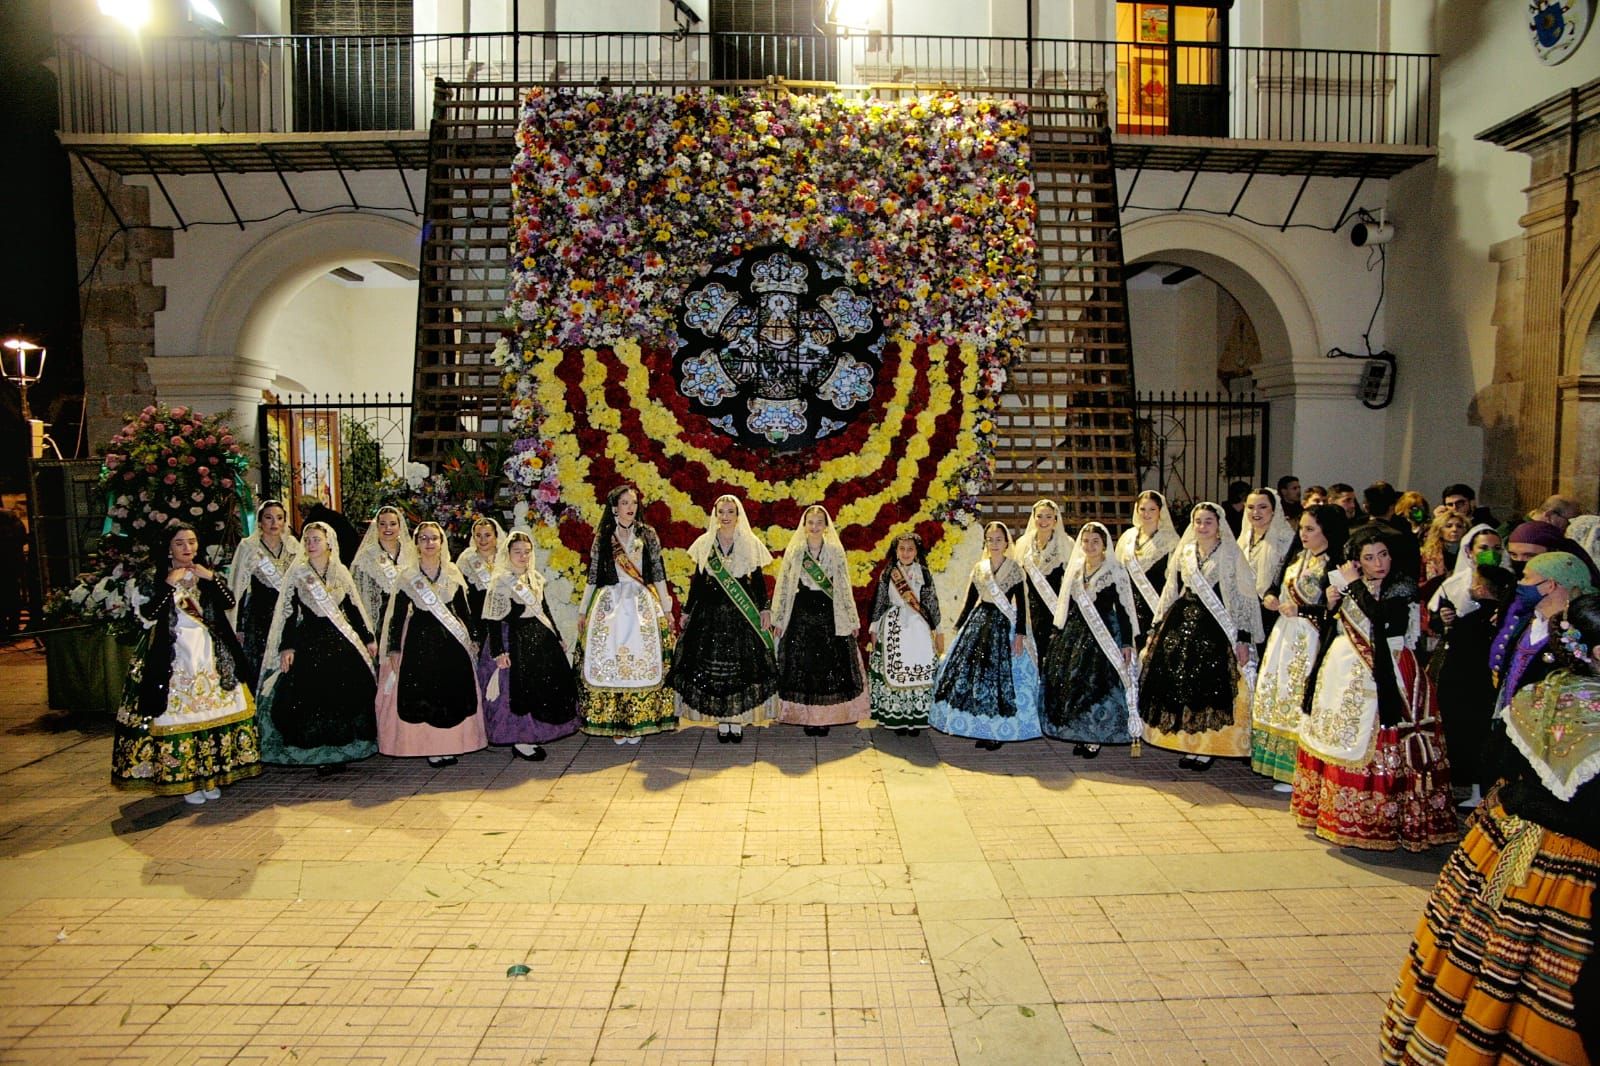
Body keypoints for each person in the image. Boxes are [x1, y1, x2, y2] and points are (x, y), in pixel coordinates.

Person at [1381, 592, 1600, 1066]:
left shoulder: (1542, 691)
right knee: (1545, 982)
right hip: (1569, 870)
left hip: (1506, 843)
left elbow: (1495, 759)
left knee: (1480, 958)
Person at [1292, 525, 1456, 851]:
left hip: (1389, 673)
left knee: (1383, 739)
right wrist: (1331, 602)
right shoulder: (1353, 586)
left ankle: (1389, 820)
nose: (1378, 563)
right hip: (1345, 674)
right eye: (1369, 557)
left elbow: (1381, 620)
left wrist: (1352, 586)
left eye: (1383, 554)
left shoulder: (1401, 587)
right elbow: (1336, 625)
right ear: (1357, 561)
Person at [111, 523, 261, 804]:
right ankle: (187, 780)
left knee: (212, 714)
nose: (187, 548)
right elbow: (149, 613)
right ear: (169, 547)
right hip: (172, 654)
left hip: (208, 652)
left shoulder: (204, 572)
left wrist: (212, 578)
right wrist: (169, 585)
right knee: (180, 716)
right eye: (180, 543)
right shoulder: (154, 576)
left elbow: (228, 601)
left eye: (191, 542)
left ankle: (211, 775)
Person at [1139, 502, 1263, 771]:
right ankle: (1189, 742)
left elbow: (1243, 597)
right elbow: (1172, 588)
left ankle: (1208, 747)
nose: (1203, 527)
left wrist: (1242, 636)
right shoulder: (1185, 552)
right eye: (1198, 522)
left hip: (1216, 626)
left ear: (1219, 525)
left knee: (1209, 686)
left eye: (1208, 521)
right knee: (1181, 684)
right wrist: (1157, 623)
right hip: (1183, 620)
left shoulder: (1230, 553)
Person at [253, 521, 379, 772]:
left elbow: (353, 607)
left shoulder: (340, 571)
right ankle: (319, 752)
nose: (311, 544)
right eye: (307, 540)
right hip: (309, 639)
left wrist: (367, 639)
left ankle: (342, 750)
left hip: (341, 640)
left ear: (328, 543)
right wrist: (287, 646)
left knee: (345, 694)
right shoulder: (298, 573)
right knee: (313, 694)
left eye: (316, 540)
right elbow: (289, 612)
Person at [1250, 504, 1348, 791]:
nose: (1303, 534)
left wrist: (1303, 610)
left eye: (1310, 529)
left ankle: (1298, 769)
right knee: (1276, 691)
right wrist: (1270, 597)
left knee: (1297, 695)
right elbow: (1274, 585)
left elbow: (1336, 609)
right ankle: (1276, 764)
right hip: (1284, 634)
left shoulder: (1336, 564)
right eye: (1302, 528)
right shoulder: (1296, 557)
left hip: (1311, 639)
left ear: (1326, 532)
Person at [667, 494, 779, 743]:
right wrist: (686, 611)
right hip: (710, 612)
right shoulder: (705, 543)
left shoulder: (750, 543)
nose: (725, 517)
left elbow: (758, 581)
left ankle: (736, 719)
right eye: (721, 512)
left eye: (730, 512)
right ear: (715, 515)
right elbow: (697, 582)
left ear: (738, 516)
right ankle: (722, 719)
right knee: (714, 668)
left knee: (739, 667)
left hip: (741, 613)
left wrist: (764, 609)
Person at [376, 520, 487, 767]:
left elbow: (463, 611)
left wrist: (474, 638)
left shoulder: (452, 572)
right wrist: (394, 647)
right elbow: (395, 615)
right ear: (415, 544)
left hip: (451, 644)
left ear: (441, 542)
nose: (429, 543)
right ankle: (431, 747)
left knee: (451, 693)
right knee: (426, 695)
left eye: (434, 538)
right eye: (424, 538)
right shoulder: (407, 576)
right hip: (419, 641)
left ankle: (450, 744)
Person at [576, 484, 677, 744]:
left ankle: (640, 720)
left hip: (641, 602)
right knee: (611, 662)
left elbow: (658, 572)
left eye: (633, 502)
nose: (630, 507)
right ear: (614, 508)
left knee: (641, 661)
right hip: (609, 604)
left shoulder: (648, 534)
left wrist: (666, 609)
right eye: (624, 503)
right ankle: (615, 722)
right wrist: (583, 610)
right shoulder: (604, 537)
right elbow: (593, 574)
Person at [930, 521, 1042, 749]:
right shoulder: (980, 568)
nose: (994, 544)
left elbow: (1021, 604)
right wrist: (959, 626)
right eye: (990, 540)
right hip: (980, 621)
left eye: (998, 539)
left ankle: (997, 732)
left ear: (1006, 542)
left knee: (1000, 680)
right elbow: (971, 600)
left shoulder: (1015, 569)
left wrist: (1020, 633)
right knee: (973, 678)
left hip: (1003, 625)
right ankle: (979, 727)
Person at [1426, 524, 1512, 810]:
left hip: (1488, 667)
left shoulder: (1509, 582)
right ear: (1470, 552)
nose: (1490, 554)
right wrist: (1445, 618)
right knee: (1455, 723)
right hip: (1458, 665)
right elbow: (1436, 620)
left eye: (1496, 548)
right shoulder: (1454, 583)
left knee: (1482, 726)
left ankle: (1480, 785)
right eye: (1483, 548)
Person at [1040, 521, 1140, 757]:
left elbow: (1125, 609)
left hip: (1104, 632)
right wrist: (1059, 631)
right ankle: (1079, 731)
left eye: (1095, 541)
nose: (1090, 545)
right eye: (1086, 541)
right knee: (1074, 683)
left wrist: (1127, 642)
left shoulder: (1115, 570)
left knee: (1097, 685)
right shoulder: (1075, 569)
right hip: (1075, 631)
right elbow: (1066, 602)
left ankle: (1095, 735)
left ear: (1104, 544)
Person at [480, 529, 578, 762]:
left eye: (526, 552)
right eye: (517, 552)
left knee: (543, 688)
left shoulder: (535, 578)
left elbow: (544, 609)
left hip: (539, 639)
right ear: (508, 554)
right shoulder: (501, 581)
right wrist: (498, 652)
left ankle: (537, 732)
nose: (523, 556)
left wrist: (557, 635)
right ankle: (520, 739)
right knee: (517, 691)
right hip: (512, 640)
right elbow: (493, 620)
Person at [771, 505, 868, 736]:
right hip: (801, 613)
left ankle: (823, 718)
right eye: (810, 522)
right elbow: (784, 585)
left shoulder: (835, 551)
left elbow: (844, 586)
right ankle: (807, 717)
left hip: (829, 614)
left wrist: (852, 619)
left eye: (819, 522)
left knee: (826, 667)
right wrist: (778, 618)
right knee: (804, 665)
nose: (814, 527)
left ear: (826, 526)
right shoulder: (795, 552)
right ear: (804, 525)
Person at [1490, 550, 1598, 718]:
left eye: (1526, 577)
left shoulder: (1578, 632)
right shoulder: (1525, 621)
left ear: (1550, 585)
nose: (1520, 583)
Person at [866, 533, 944, 736]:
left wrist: (939, 631)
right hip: (893, 623)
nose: (906, 553)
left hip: (919, 626)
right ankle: (898, 718)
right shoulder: (889, 573)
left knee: (919, 668)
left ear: (917, 551)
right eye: (902, 549)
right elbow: (880, 601)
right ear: (895, 551)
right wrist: (874, 628)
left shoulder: (924, 573)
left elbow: (931, 602)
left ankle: (916, 718)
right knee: (895, 668)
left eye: (910, 549)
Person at [227, 500, 300, 690]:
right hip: (260, 617)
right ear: (260, 522)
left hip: (289, 615)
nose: (274, 523)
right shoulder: (249, 547)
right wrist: (238, 626)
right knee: (260, 668)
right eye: (268, 518)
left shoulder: (293, 546)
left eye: (279, 518)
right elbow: (238, 588)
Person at [1010, 499, 1075, 662]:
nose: (1043, 521)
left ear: (1055, 520)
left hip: (1055, 610)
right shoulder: (1022, 544)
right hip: (1028, 610)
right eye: (1039, 516)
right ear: (1033, 518)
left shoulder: (1066, 544)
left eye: (1048, 516)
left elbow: (1072, 584)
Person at [1115, 490, 1179, 650]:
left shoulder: (1171, 540)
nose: (1147, 514)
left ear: (1160, 511)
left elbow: (1173, 579)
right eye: (1142, 509)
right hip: (1128, 605)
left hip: (1155, 605)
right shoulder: (1127, 537)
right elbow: (1116, 570)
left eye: (1152, 509)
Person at [1237, 487, 1297, 644]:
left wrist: (1272, 594)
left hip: (1272, 606)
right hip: (1245, 607)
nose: (1256, 512)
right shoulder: (1244, 538)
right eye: (1250, 507)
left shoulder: (1285, 538)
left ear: (1274, 510)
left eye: (1262, 507)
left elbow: (1286, 574)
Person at [352, 505, 416, 639]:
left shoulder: (412, 553)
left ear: (400, 526)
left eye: (393, 524)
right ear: (377, 527)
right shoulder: (366, 556)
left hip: (411, 619)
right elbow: (358, 593)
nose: (388, 528)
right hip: (382, 620)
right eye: (383, 524)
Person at [455, 517, 504, 643]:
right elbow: (459, 595)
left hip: (505, 619)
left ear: (496, 536)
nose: (482, 540)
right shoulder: (466, 559)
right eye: (478, 535)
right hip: (477, 619)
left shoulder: (506, 557)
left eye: (487, 535)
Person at [1366, 481, 1424, 582]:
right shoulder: (1404, 536)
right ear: (1392, 507)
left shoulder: (1353, 534)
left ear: (1366, 507)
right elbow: (1413, 569)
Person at [299, 498, 360, 568]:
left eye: (301, 511)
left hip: (327, 561)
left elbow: (304, 547)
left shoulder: (311, 522)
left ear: (305, 509)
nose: (301, 514)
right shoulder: (336, 515)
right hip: (348, 555)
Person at [1418, 511, 1469, 585]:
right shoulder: (1427, 555)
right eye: (1448, 526)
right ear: (1439, 531)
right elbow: (1421, 582)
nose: (1454, 529)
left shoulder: (1471, 552)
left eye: (1459, 526)